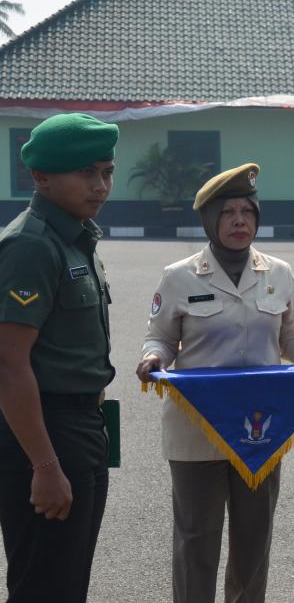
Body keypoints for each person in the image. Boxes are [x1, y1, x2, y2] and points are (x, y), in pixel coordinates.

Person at [135, 163, 294, 603]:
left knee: (254, 538)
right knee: (196, 538)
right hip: (196, 429)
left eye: (247, 212)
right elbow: (160, 337)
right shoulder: (179, 276)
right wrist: (154, 357)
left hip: (259, 431)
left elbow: (292, 336)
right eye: (227, 213)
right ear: (210, 220)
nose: (238, 221)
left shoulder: (279, 273)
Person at [0, 113, 118, 602]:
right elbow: (8, 365)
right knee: (43, 586)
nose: (100, 186)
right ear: (41, 177)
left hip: (82, 426)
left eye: (107, 172)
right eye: (86, 173)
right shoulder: (31, 245)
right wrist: (45, 466)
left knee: (67, 582)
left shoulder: (77, 237)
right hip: (45, 431)